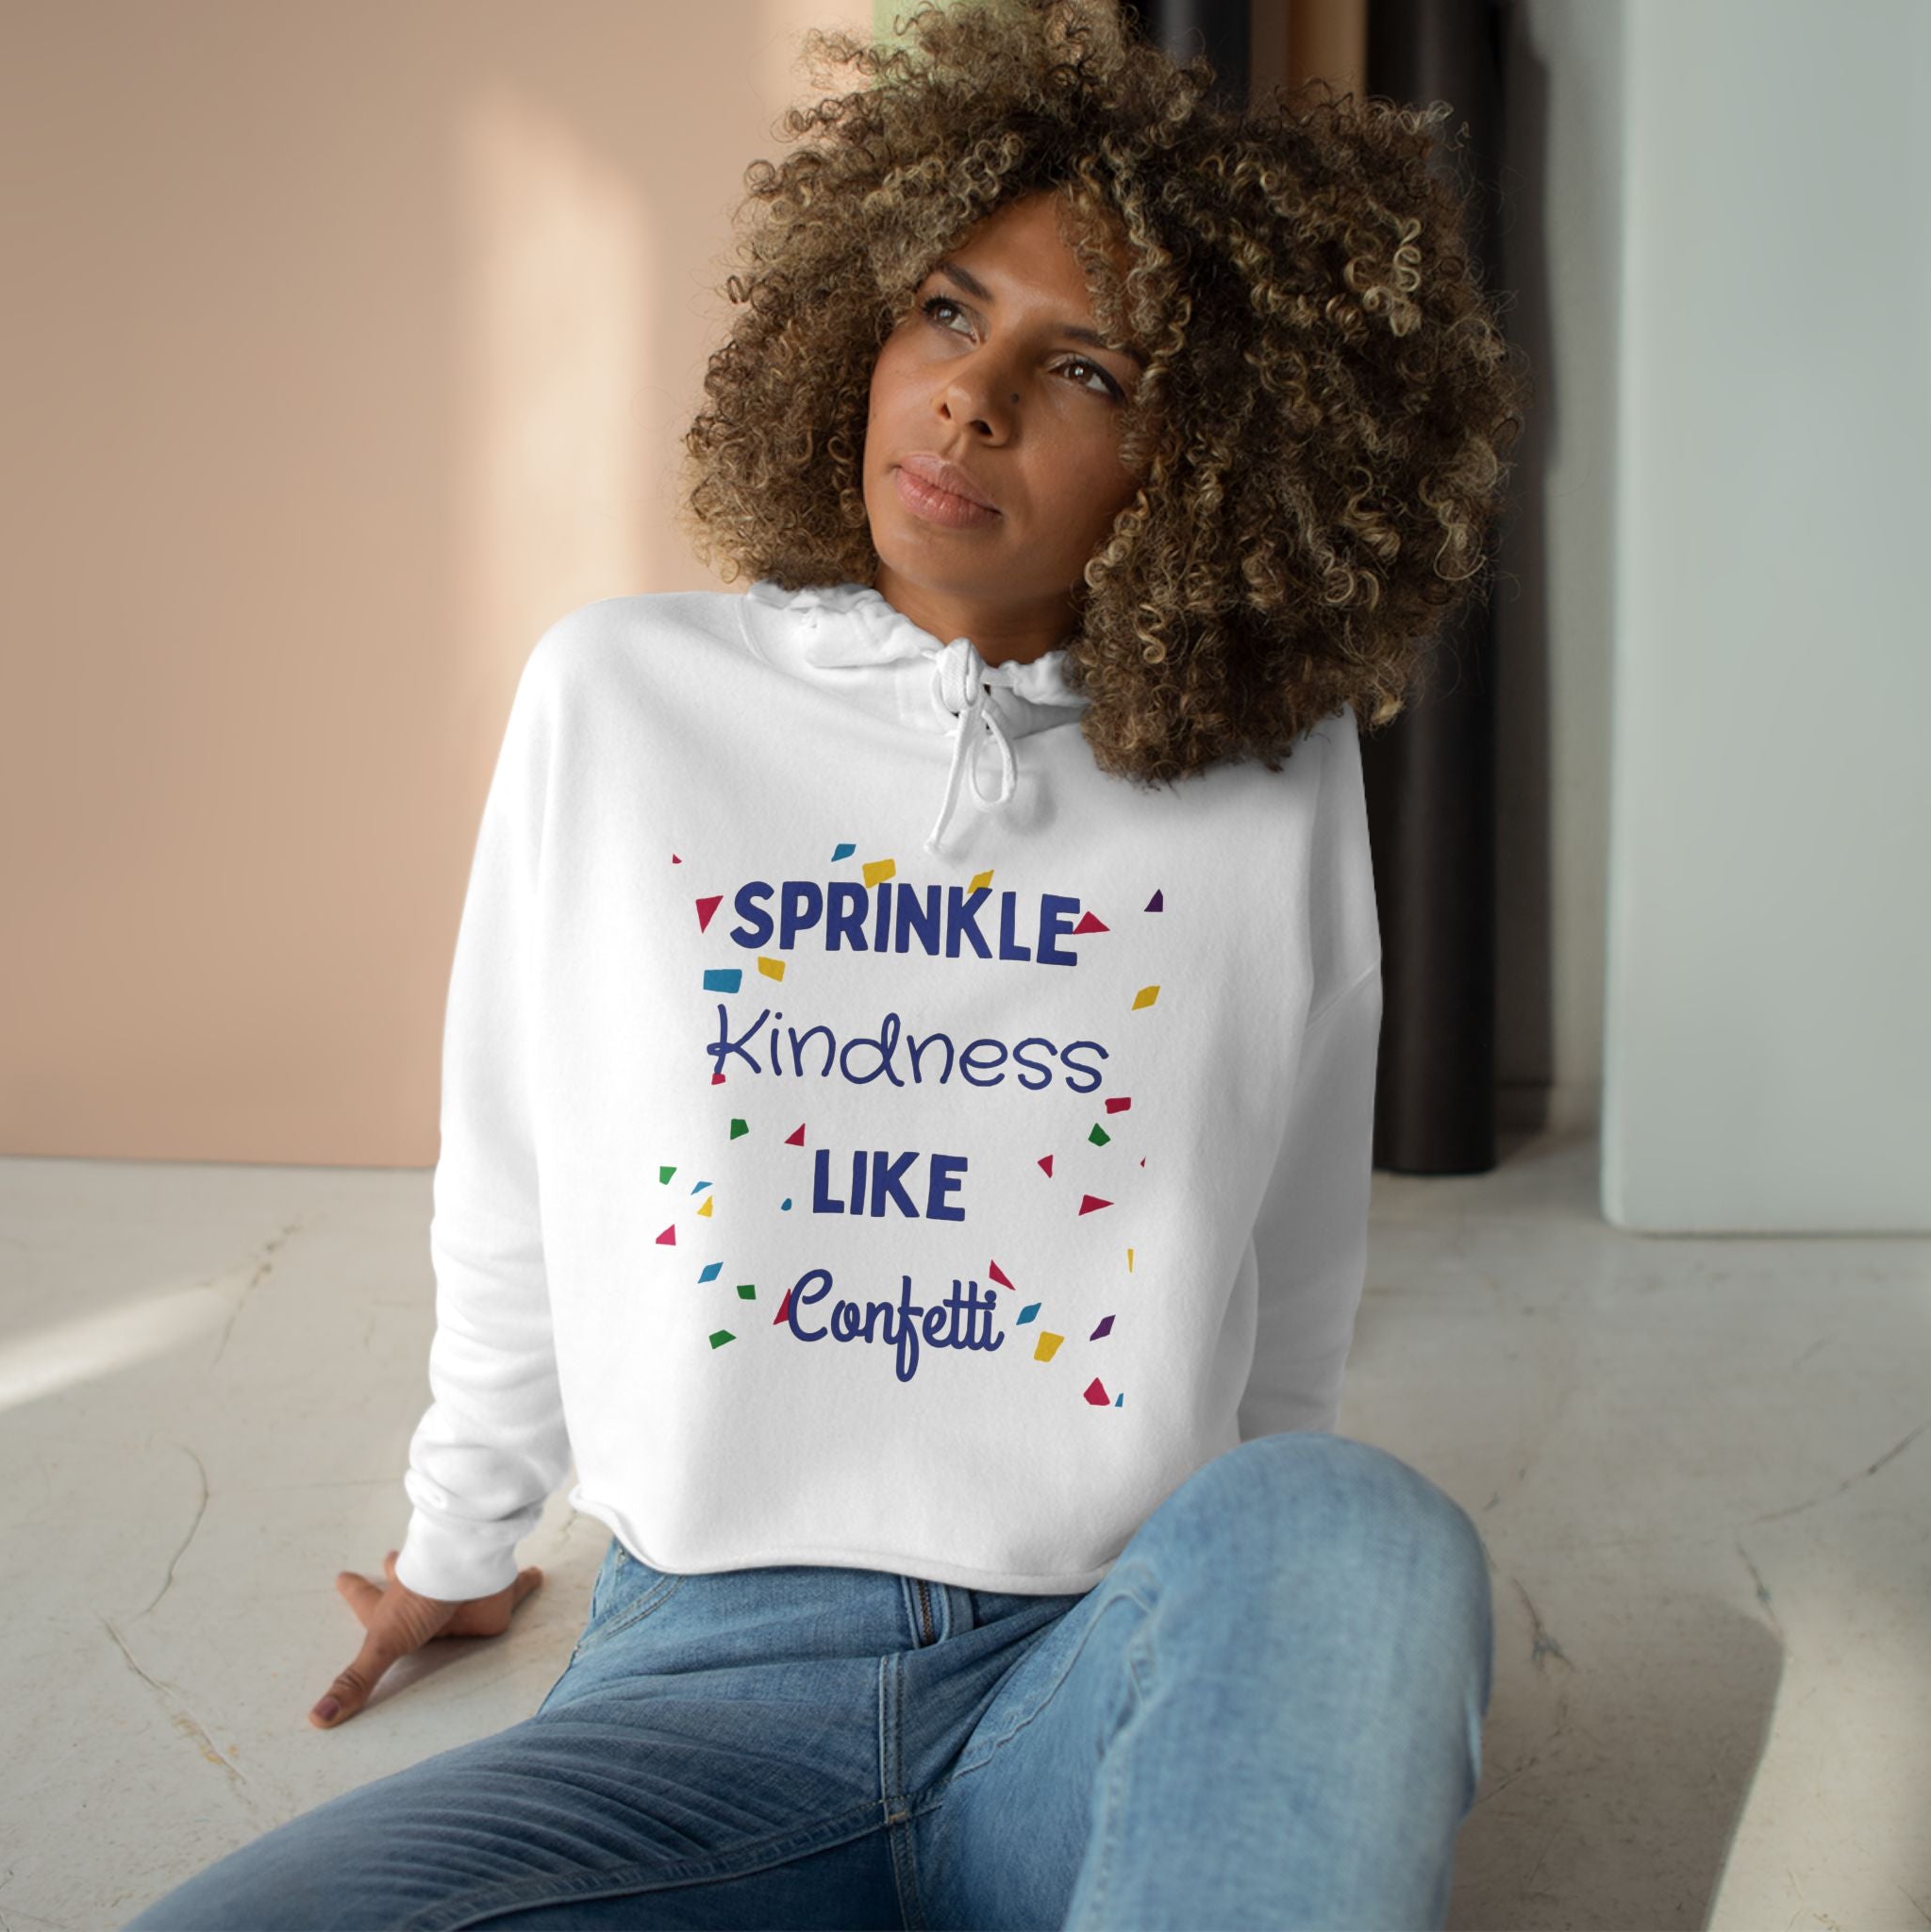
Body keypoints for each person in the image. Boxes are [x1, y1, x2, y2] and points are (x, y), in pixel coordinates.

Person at [124, 1, 1529, 1925]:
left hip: (1089, 1673)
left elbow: (1284, 1264)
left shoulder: (1263, 780)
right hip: (703, 1703)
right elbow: (521, 1150)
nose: (970, 398)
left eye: (1085, 367)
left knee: (1357, 1532)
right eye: (946, 313)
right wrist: (458, 1530)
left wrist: (1255, 1641)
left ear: (1205, 461)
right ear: (856, 318)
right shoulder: (622, 698)